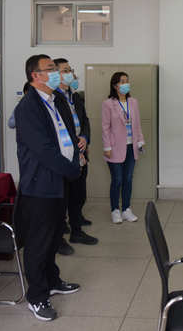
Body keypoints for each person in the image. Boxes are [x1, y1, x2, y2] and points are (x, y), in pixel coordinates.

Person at [14, 54, 81, 321]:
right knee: (38, 243)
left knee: (54, 237)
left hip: (59, 180)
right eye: (50, 69)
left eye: (55, 68)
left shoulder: (57, 100)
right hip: (40, 184)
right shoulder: (27, 107)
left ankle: (52, 280)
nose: (56, 73)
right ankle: (37, 296)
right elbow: (43, 149)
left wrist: (74, 162)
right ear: (36, 75)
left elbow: (70, 136)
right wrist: (70, 169)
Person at [54, 57, 98, 249]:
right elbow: (59, 128)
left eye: (70, 70)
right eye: (65, 70)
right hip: (65, 155)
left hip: (81, 150)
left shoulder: (75, 96)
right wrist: (75, 143)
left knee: (78, 194)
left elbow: (85, 120)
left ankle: (77, 230)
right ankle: (59, 238)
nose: (70, 73)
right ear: (56, 74)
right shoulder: (53, 98)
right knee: (62, 198)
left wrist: (85, 138)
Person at [102, 72, 145, 224]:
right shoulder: (108, 104)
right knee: (117, 179)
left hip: (131, 146)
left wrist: (140, 140)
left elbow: (137, 124)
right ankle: (115, 210)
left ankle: (126, 209)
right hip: (114, 148)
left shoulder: (133, 102)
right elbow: (105, 127)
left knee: (128, 179)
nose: (126, 84)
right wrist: (107, 146)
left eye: (127, 81)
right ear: (115, 85)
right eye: (122, 81)